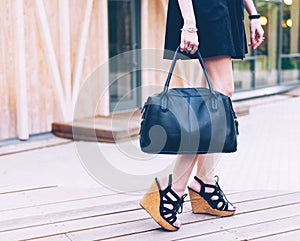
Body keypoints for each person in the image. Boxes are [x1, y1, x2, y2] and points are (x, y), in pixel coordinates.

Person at [140, 0, 264, 231]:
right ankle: (173, 188)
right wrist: (189, 23)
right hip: (206, 8)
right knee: (220, 97)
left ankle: (204, 183)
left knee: (215, 99)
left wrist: (253, 14)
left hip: (228, 7)